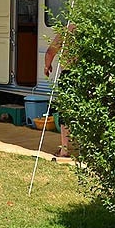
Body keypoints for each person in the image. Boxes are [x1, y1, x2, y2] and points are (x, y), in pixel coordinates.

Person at [44, 23, 76, 158]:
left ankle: (64, 150)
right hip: (87, 75)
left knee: (66, 113)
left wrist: (47, 66)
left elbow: (51, 51)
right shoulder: (92, 29)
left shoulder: (67, 29)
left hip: (69, 74)